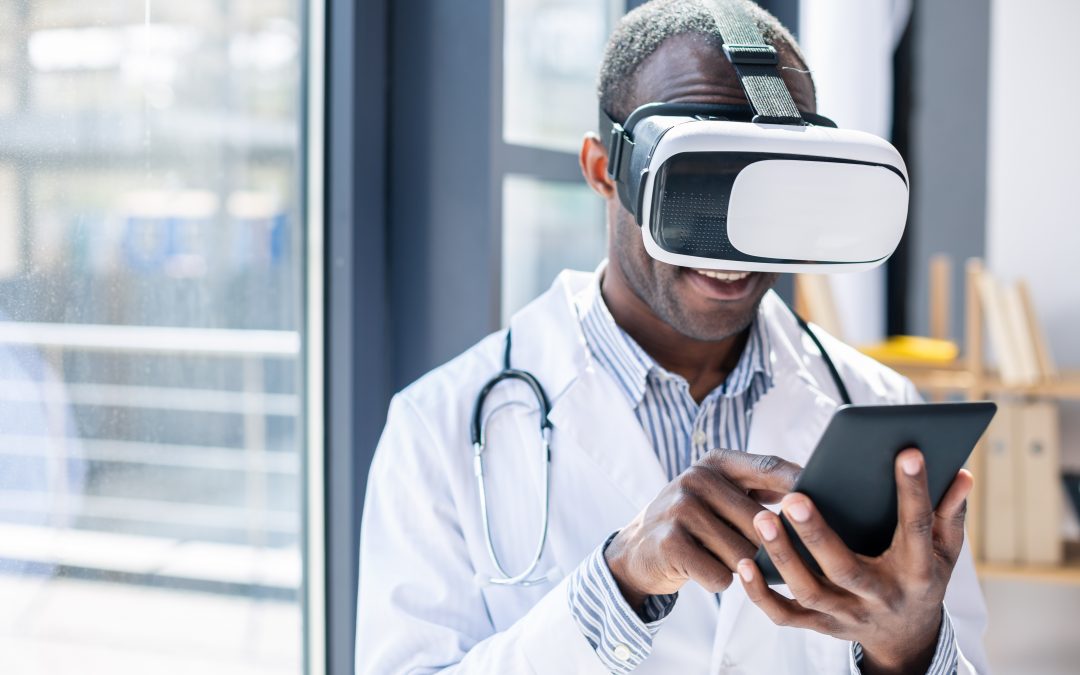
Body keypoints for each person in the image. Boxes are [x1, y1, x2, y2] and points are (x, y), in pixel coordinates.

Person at [355, 1, 988, 673]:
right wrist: (618, 580)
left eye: (774, 185)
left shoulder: (880, 405)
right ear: (604, 170)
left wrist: (912, 652)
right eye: (700, 180)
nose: (735, 239)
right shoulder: (437, 427)